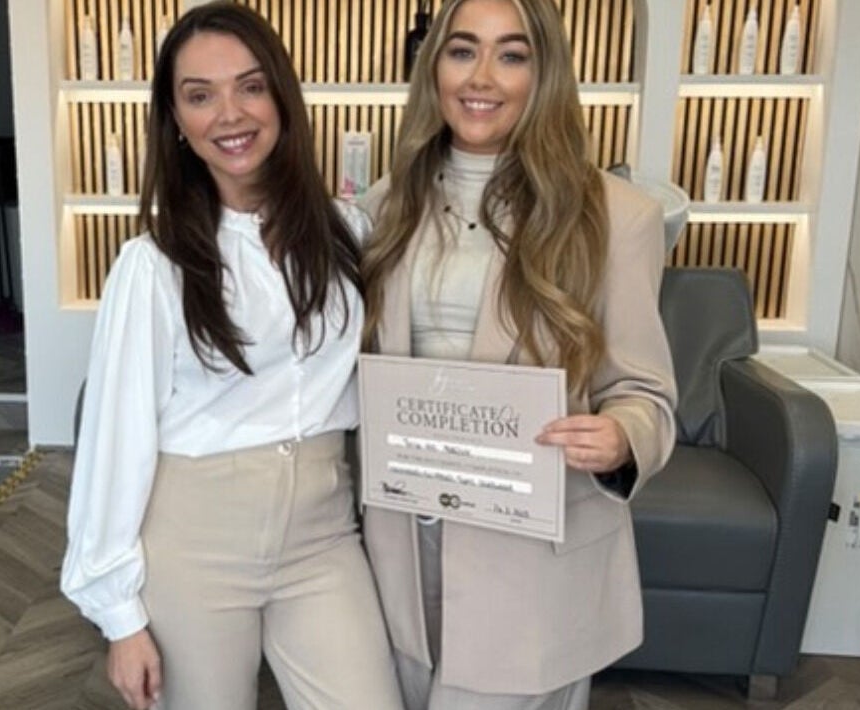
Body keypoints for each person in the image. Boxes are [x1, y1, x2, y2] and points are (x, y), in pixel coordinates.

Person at [60, 4, 404, 710]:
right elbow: (115, 439)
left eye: (249, 86)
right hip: (196, 543)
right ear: (176, 123)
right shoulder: (152, 267)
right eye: (199, 95)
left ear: (280, 94)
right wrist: (121, 617)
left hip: (322, 534)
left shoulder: (348, 234)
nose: (229, 114)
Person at [358, 0, 677, 708]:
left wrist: (623, 435)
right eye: (462, 50)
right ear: (433, 65)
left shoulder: (616, 217)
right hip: (403, 546)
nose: (483, 77)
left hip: (531, 565)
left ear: (546, 72)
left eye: (513, 54)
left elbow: (647, 393)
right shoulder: (383, 210)